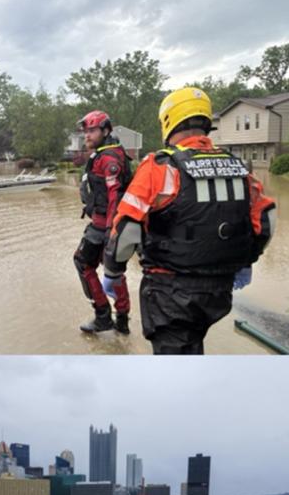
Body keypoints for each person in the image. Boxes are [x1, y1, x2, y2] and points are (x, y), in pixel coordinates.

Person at [104, 87, 276, 354]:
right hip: (219, 291)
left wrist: (112, 272)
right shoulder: (237, 166)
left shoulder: (160, 166)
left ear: (169, 121)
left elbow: (127, 229)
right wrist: (246, 261)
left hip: (169, 292)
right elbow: (267, 218)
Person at [73, 110, 133, 334]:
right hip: (111, 225)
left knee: (82, 262)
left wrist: (111, 231)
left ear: (106, 130)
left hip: (105, 226)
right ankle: (123, 322)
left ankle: (103, 316)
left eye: (92, 130)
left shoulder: (109, 159)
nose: (87, 135)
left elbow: (114, 196)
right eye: (85, 131)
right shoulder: (109, 153)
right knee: (115, 272)